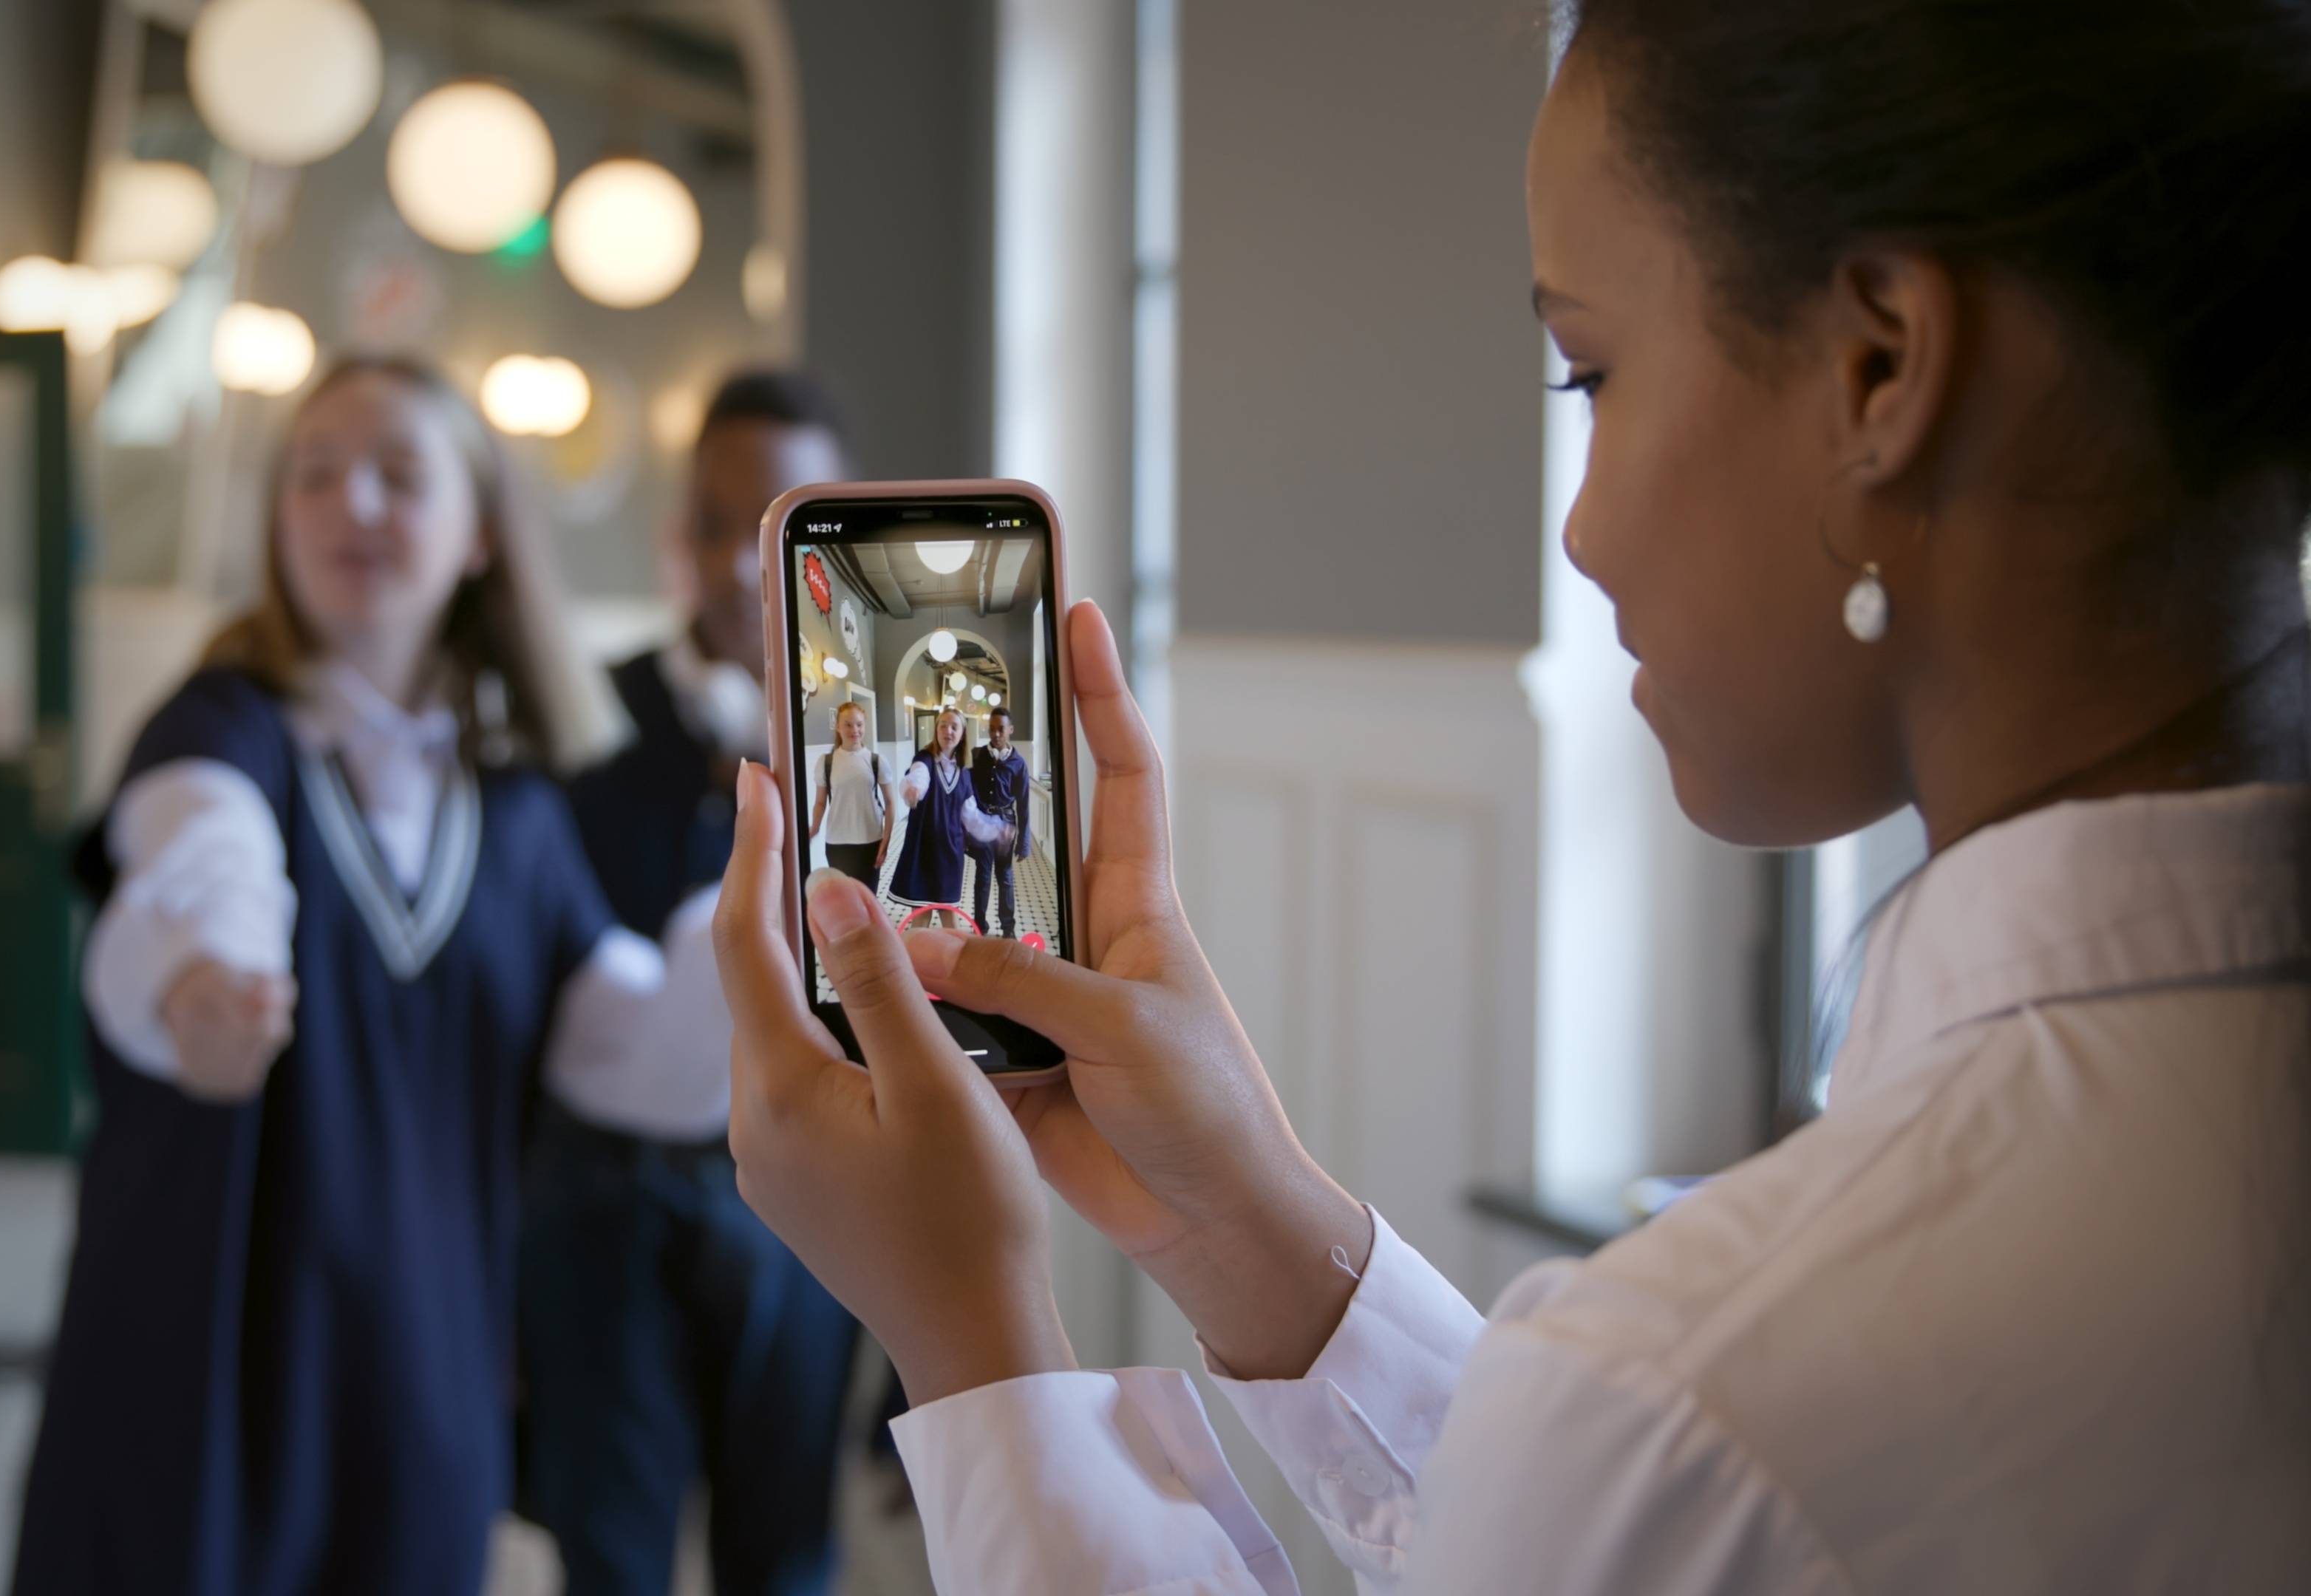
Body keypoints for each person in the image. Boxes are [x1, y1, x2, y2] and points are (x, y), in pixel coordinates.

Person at [709, 0, 2311, 1589]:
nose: (1580, 534)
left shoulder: (1712, 1400)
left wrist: (975, 1340)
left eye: (1589, 376)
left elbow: (1654, 1472)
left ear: (1880, 364)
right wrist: (1262, 1235)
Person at [12, 356, 643, 1596]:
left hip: (421, 1353)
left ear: (477, 536)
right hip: (204, 1345)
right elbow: (198, 854)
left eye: (399, 477)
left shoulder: (513, 807)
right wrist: (207, 975)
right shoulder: (217, 726)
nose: (351, 503)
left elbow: (618, 1026)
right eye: (315, 475)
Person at [524, 370, 865, 1595]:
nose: (735, 565)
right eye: (713, 525)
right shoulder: (584, 719)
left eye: (773, 527)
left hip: (805, 1196)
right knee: (608, 1543)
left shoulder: (865, 743)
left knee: (785, 1551)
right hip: (603, 1191)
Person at [885, 706, 978, 932]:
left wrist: (997, 830)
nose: (948, 731)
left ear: (962, 733)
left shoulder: (965, 774)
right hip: (923, 851)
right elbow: (918, 776)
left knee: (950, 915)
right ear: (936, 730)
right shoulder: (924, 759)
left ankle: (956, 965)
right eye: (943, 725)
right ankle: (916, 964)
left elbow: (972, 816)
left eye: (954, 726)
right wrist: (913, 790)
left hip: (950, 853)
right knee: (921, 914)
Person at [809, 700, 894, 887]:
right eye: (848, 724)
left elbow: (889, 802)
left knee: (867, 899)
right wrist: (814, 827)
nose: (854, 730)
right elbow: (820, 803)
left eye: (859, 724)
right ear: (837, 727)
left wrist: (886, 842)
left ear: (865, 726)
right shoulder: (826, 762)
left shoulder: (877, 761)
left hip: (871, 840)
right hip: (838, 843)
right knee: (845, 899)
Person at [966, 709, 1031, 938]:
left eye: (1000, 729)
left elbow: (1023, 805)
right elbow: (968, 791)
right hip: (983, 823)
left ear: (1010, 730)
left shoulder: (1018, 764)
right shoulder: (977, 756)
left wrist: (1024, 842)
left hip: (1005, 825)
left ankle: (1008, 929)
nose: (995, 734)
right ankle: (980, 926)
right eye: (992, 729)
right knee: (982, 877)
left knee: (1005, 878)